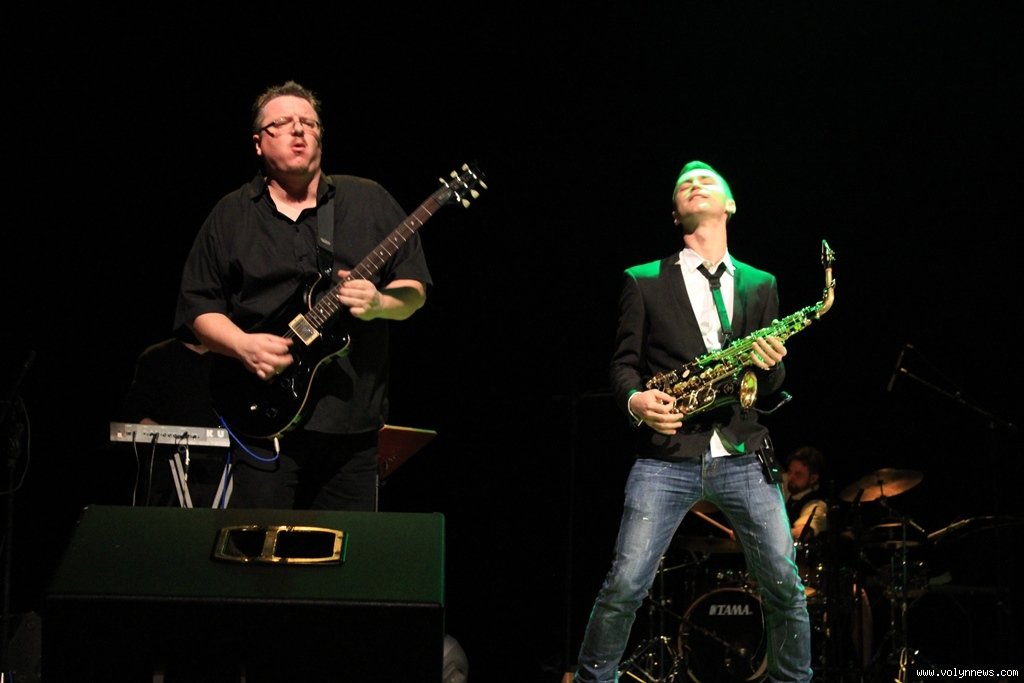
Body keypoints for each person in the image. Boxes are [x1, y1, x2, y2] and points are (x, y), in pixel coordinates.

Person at [573, 160, 812, 682]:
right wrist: (636, 401)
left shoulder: (763, 283)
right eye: (684, 183)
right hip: (666, 456)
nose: (694, 183)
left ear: (731, 204)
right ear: (675, 213)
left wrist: (773, 366)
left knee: (784, 585)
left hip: (744, 452)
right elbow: (623, 365)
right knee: (624, 586)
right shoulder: (642, 280)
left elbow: (769, 387)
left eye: (707, 180)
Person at [173, 80, 431, 512]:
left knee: (344, 550)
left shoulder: (368, 200)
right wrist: (243, 345)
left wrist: (380, 304)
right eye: (283, 123)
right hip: (261, 420)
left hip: (352, 428)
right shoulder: (231, 214)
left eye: (309, 123)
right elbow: (198, 308)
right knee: (258, 547)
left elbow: (414, 290)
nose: (299, 130)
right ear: (258, 143)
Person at [120, 337, 231, 507]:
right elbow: (134, 413)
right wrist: (166, 436)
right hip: (166, 467)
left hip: (222, 463)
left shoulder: (229, 359)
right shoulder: (157, 356)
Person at [784, 445, 828, 542]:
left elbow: (802, 532)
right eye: (790, 471)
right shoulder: (791, 490)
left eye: (798, 474)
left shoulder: (817, 505)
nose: (791, 477)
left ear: (813, 478)